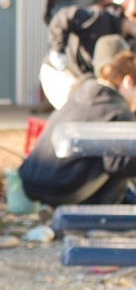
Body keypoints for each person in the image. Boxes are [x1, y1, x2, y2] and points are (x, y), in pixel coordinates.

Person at [20, 48, 136, 207]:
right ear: (128, 81)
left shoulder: (80, 94)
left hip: (30, 181)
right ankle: (103, 220)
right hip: (63, 189)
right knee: (124, 158)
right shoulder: (118, 111)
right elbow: (118, 166)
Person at [39, 0, 136, 107]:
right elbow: (63, 17)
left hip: (86, 81)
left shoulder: (129, 42)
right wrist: (58, 53)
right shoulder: (101, 18)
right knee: (81, 111)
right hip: (61, 73)